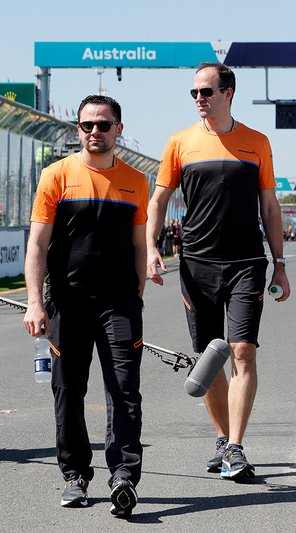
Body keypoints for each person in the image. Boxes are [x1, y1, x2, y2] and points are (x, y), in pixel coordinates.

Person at [146, 62, 290, 481]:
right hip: (197, 263)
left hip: (246, 262)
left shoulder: (257, 142)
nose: (198, 99)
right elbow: (158, 201)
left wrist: (280, 265)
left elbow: (270, 207)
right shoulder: (180, 143)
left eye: (205, 92)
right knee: (209, 356)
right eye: (193, 93)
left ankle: (236, 447)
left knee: (242, 350)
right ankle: (222, 437)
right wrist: (152, 248)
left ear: (228, 93)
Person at [22, 95, 147, 515]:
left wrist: (137, 298)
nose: (95, 132)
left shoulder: (136, 181)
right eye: (87, 125)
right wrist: (35, 304)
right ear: (78, 129)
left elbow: (138, 245)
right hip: (68, 304)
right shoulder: (55, 176)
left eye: (104, 125)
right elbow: (37, 245)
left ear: (119, 129)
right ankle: (75, 475)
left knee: (124, 390)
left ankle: (124, 477)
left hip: (120, 304)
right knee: (67, 390)